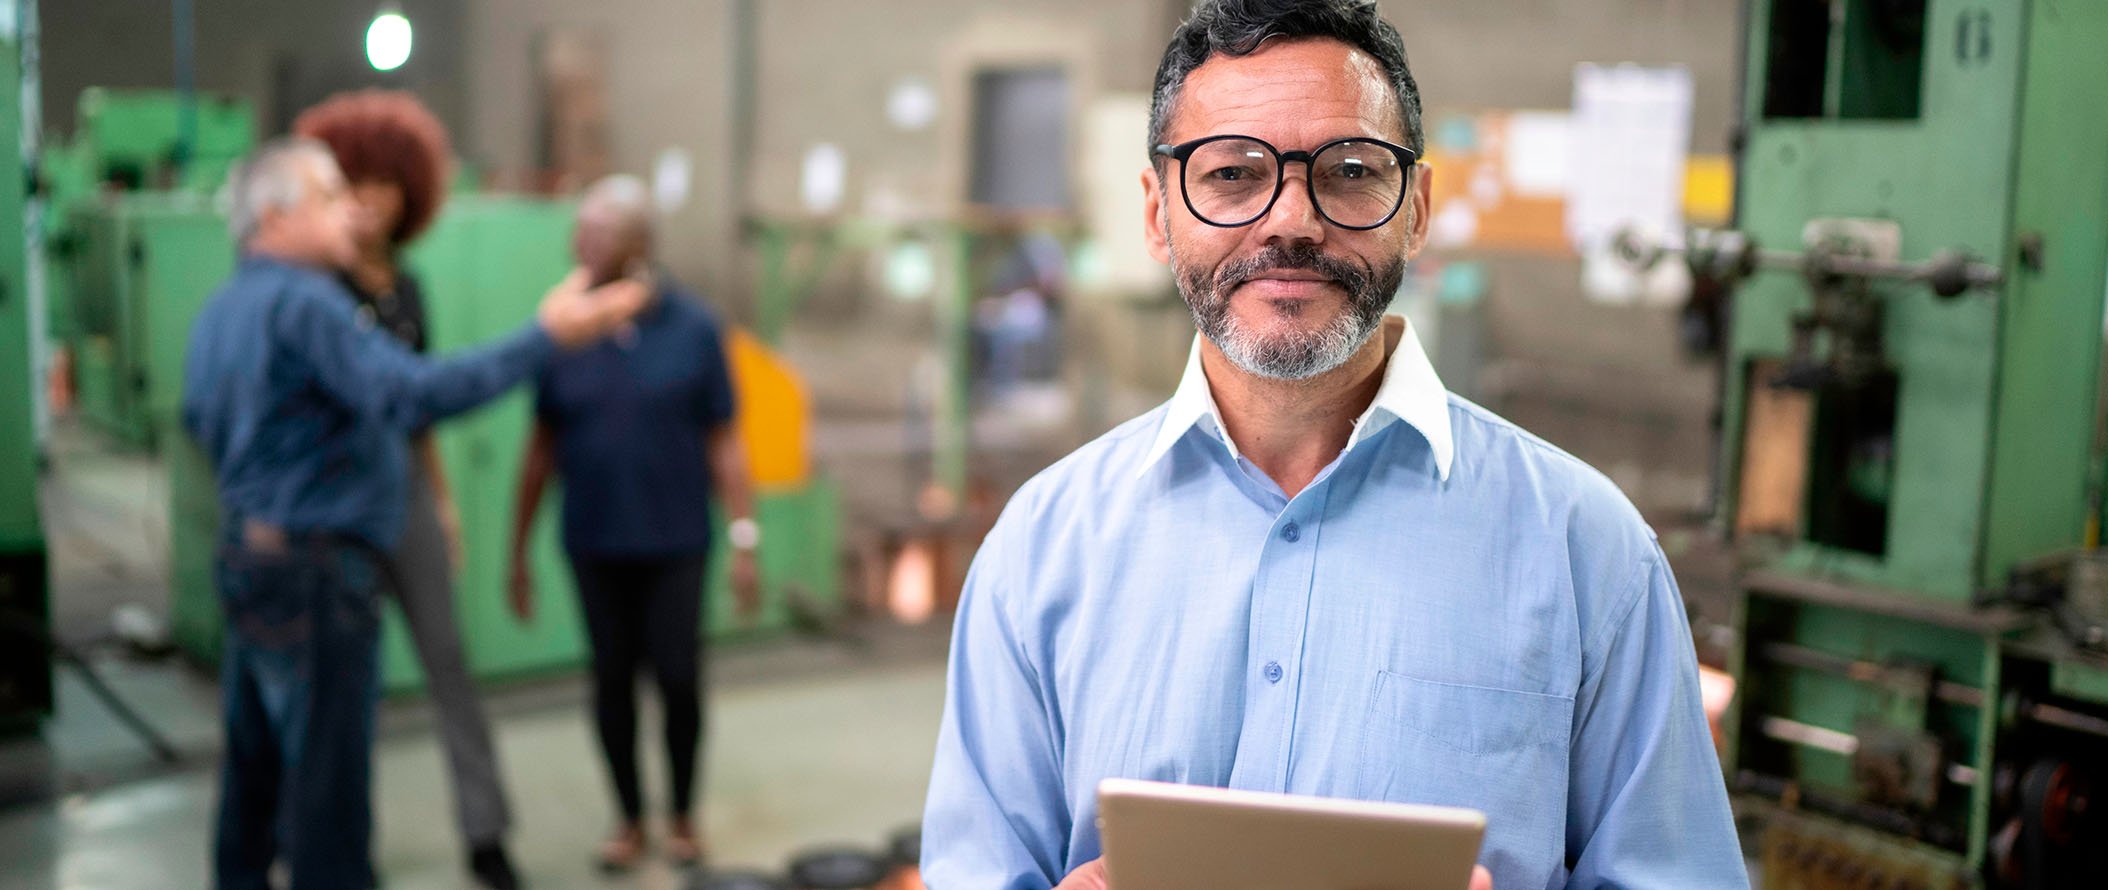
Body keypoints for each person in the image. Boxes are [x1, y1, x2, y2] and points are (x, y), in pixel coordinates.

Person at [918, 2, 1747, 889]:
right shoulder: (1042, 549)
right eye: (1233, 174)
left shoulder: (1589, 554)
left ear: (1417, 209)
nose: (1291, 221)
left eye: (1349, 172)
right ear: (1158, 214)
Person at [183, 138, 647, 890]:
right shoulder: (308, 302)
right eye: (330, 195)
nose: (350, 210)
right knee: (328, 797)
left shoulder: (226, 307)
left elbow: (205, 425)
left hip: (250, 558)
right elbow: (413, 394)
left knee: (253, 776)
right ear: (274, 215)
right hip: (317, 570)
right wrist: (546, 336)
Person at [292, 90, 521, 890]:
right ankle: (327, 843)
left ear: (408, 194)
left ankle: (486, 833)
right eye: (351, 187)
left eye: (383, 187)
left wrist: (446, 505)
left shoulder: (408, 289)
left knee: (451, 667)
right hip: (336, 510)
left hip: (405, 498)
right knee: (337, 694)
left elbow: (419, 403)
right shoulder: (312, 292)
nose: (368, 203)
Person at [506, 175, 761, 871]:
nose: (581, 244)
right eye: (579, 231)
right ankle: (628, 819)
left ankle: (681, 814)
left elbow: (725, 440)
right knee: (611, 681)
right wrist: (517, 552)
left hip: (676, 540)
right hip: (593, 541)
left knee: (678, 677)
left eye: (599, 232)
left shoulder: (693, 327)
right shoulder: (565, 331)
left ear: (641, 243)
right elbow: (539, 452)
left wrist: (744, 537)